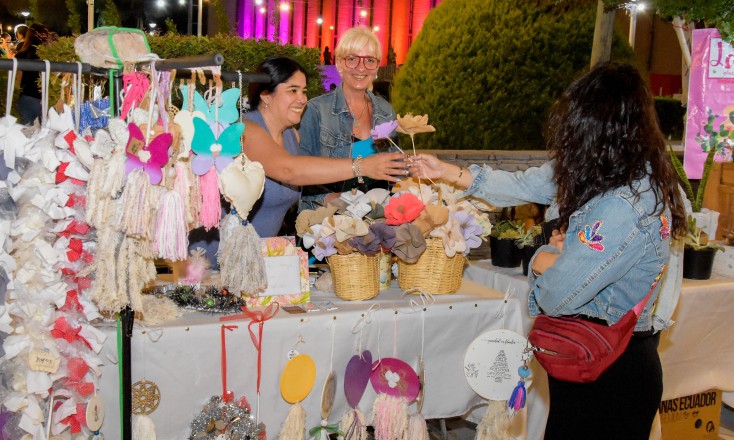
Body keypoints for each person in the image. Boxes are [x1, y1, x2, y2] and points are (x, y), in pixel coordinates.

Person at [412, 62, 687, 439]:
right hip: (590, 354)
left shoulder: (624, 204)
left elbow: (557, 295)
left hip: (611, 371)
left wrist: (545, 258)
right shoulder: (606, 167)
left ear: (597, 128)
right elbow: (526, 184)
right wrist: (448, 172)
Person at [188, 57, 407, 267]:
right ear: (266, 95)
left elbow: (309, 170)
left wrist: (344, 200)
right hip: (210, 263)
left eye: (303, 91)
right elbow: (288, 170)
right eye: (292, 90)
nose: (302, 99)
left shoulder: (292, 135)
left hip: (256, 264)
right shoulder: (246, 131)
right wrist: (363, 166)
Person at [298, 26, 396, 210]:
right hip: (328, 217)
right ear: (339, 63)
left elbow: (391, 168)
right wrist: (337, 202)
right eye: (352, 59)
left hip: (377, 216)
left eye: (369, 60)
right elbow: (300, 172)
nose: (361, 67)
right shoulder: (316, 110)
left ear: (377, 66)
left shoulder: (386, 111)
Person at [14, 23, 51, 125]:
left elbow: (17, 81)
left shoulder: (21, 55)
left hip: (27, 97)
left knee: (26, 131)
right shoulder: (49, 55)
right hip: (45, 99)